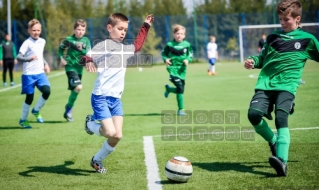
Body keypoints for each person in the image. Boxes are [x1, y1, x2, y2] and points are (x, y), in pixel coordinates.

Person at [244, 0, 319, 177]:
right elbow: (262, 59)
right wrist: (253, 61)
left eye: (286, 19)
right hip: (266, 84)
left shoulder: (308, 40)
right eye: (280, 19)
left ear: (297, 18)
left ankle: (282, 162)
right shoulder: (272, 38)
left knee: (281, 117)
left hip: (288, 85)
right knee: (253, 115)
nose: (283, 23)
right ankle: (273, 141)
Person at [83, 13, 154, 173]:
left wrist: (146, 26)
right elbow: (86, 56)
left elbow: (138, 45)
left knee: (117, 135)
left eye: (125, 29)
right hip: (100, 97)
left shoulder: (125, 49)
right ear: (110, 28)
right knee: (109, 132)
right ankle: (89, 124)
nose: (123, 32)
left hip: (115, 100)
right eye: (120, 28)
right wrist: (88, 61)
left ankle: (97, 160)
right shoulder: (104, 45)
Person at [17, 19, 51, 128]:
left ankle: (36, 110)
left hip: (40, 73)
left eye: (38, 30)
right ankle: (23, 120)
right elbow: (18, 56)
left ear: (40, 30)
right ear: (29, 30)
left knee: (47, 91)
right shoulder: (27, 43)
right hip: (28, 75)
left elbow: (40, 55)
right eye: (33, 30)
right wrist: (28, 59)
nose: (36, 32)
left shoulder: (42, 41)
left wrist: (45, 64)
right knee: (29, 98)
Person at [58, 19, 91, 122]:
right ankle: (69, 110)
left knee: (75, 90)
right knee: (79, 87)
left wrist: (88, 60)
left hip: (79, 69)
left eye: (82, 29)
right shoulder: (68, 39)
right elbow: (60, 49)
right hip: (70, 67)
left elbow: (89, 53)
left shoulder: (86, 40)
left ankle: (68, 108)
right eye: (78, 29)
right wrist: (62, 58)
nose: (80, 31)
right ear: (74, 29)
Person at [162, 24, 193, 116]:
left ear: (184, 35)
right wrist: (166, 59)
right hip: (172, 69)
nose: (179, 35)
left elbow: (190, 54)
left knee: (181, 90)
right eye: (177, 33)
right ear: (174, 34)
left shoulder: (187, 45)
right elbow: (164, 53)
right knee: (179, 87)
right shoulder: (169, 45)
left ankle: (169, 89)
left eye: (181, 34)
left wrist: (187, 60)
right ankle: (181, 110)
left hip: (182, 70)